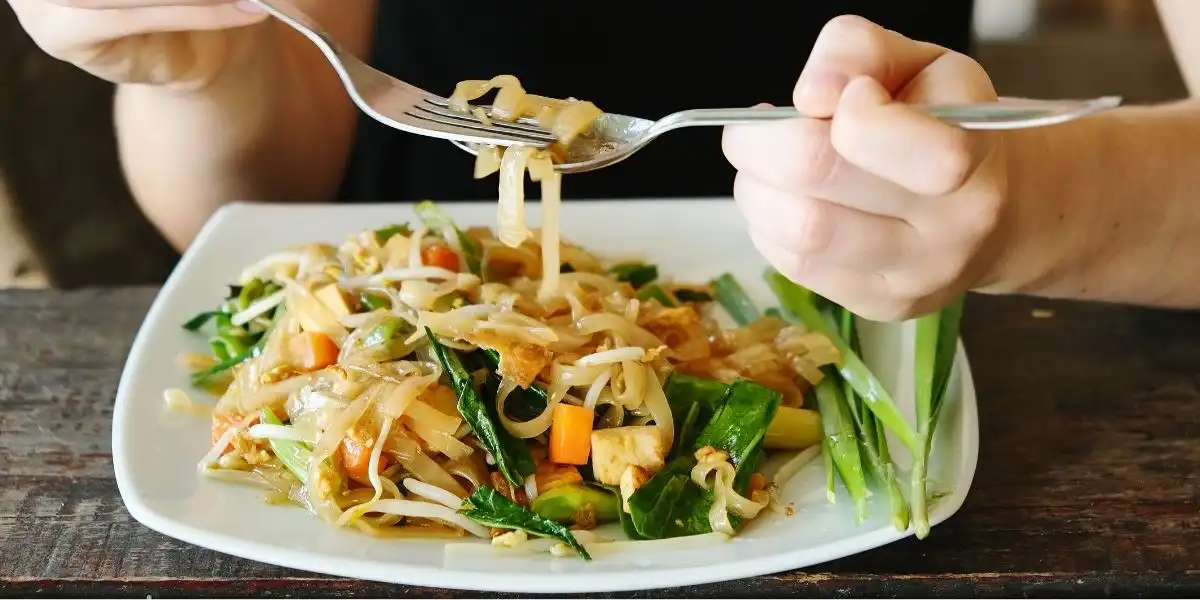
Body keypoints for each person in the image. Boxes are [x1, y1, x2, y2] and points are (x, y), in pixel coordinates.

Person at [7, 0, 1200, 322]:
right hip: (402, 286)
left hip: (877, 334)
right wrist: (202, 73)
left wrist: (1032, 208)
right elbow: (253, 206)